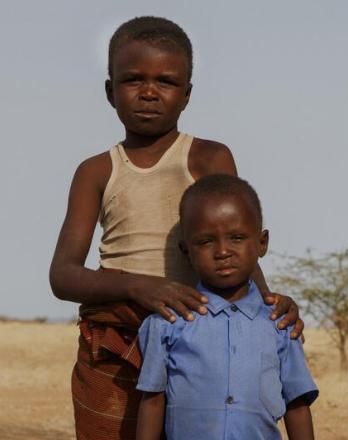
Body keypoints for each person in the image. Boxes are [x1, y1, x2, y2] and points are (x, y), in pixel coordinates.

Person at [49, 16, 303, 440]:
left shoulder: (208, 158)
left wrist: (270, 306)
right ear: (111, 91)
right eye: (133, 79)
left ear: (186, 95)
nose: (149, 92)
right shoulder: (96, 171)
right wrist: (139, 287)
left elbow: (236, 245)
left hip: (199, 341)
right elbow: (63, 275)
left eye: (166, 81)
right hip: (114, 343)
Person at [136, 174, 318, 440]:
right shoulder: (167, 324)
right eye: (206, 241)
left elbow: (297, 406)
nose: (222, 251)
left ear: (261, 243)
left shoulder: (279, 323)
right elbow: (152, 401)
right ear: (186, 251)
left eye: (237, 237)